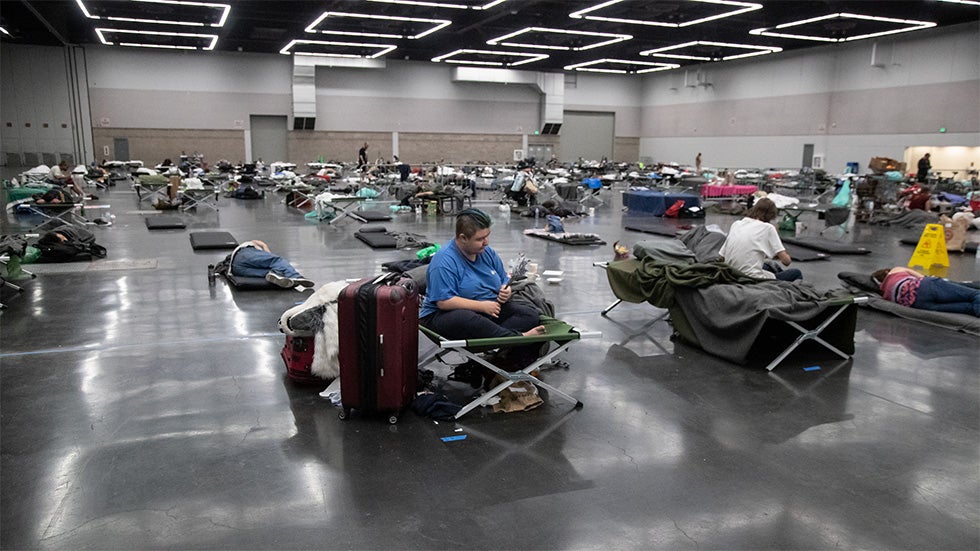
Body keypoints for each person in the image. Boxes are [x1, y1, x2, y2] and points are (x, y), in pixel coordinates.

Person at [420, 209, 545, 369]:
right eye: (480, 239)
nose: (486, 242)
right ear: (462, 238)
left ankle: (505, 363)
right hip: (442, 316)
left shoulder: (486, 253)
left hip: (487, 310)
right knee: (467, 318)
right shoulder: (444, 262)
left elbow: (503, 279)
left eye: (487, 236)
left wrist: (505, 291)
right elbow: (444, 302)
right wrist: (482, 306)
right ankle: (518, 337)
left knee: (530, 314)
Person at [719, 197, 802, 281]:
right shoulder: (768, 228)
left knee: (768, 266)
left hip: (731, 273)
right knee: (796, 273)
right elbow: (786, 261)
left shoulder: (736, 224)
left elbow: (722, 257)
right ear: (770, 215)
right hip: (751, 277)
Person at [872, 266, 979, 317]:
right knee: (974, 294)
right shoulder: (894, 271)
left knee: (968, 308)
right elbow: (921, 276)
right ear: (886, 272)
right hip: (924, 286)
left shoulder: (885, 295)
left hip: (919, 304)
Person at [229, 240, 314, 289]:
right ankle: (296, 276)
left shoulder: (256, 255)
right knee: (277, 260)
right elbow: (263, 245)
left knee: (269, 272)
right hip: (244, 254)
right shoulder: (250, 244)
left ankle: (276, 274)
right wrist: (266, 249)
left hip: (237, 270)